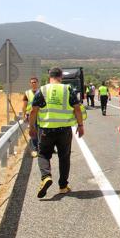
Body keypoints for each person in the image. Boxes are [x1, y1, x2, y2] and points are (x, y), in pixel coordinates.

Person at [29, 67, 84, 198]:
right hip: (64, 130)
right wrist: (80, 125)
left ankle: (46, 176)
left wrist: (32, 127)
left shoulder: (42, 90)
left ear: (49, 77)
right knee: (64, 158)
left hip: (46, 130)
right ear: (61, 77)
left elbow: (33, 111)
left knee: (43, 155)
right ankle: (63, 186)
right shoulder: (67, 89)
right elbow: (77, 108)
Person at [21, 77, 40, 155]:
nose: (33, 83)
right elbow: (24, 105)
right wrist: (24, 115)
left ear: (37, 83)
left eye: (35, 82)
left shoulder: (41, 92)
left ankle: (43, 146)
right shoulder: (27, 93)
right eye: (32, 82)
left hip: (40, 115)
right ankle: (36, 147)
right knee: (33, 132)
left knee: (42, 131)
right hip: (31, 115)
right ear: (30, 84)